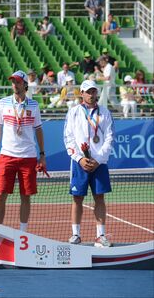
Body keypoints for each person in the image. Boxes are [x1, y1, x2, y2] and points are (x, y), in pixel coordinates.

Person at [0, 70, 46, 232]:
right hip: (7, 155)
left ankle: (23, 232)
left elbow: (38, 130)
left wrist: (42, 155)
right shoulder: (3, 103)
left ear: (24, 84)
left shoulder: (34, 105)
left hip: (28, 156)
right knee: (1, 194)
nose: (15, 85)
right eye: (13, 82)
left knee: (25, 196)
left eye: (18, 82)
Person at [64, 80, 114, 247]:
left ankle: (100, 236)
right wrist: (80, 158)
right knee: (77, 198)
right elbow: (68, 138)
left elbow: (109, 138)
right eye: (88, 92)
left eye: (94, 91)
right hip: (79, 163)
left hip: (100, 163)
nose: (91, 95)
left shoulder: (105, 113)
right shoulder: (73, 112)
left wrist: (98, 160)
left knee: (99, 198)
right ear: (82, 94)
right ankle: (76, 235)